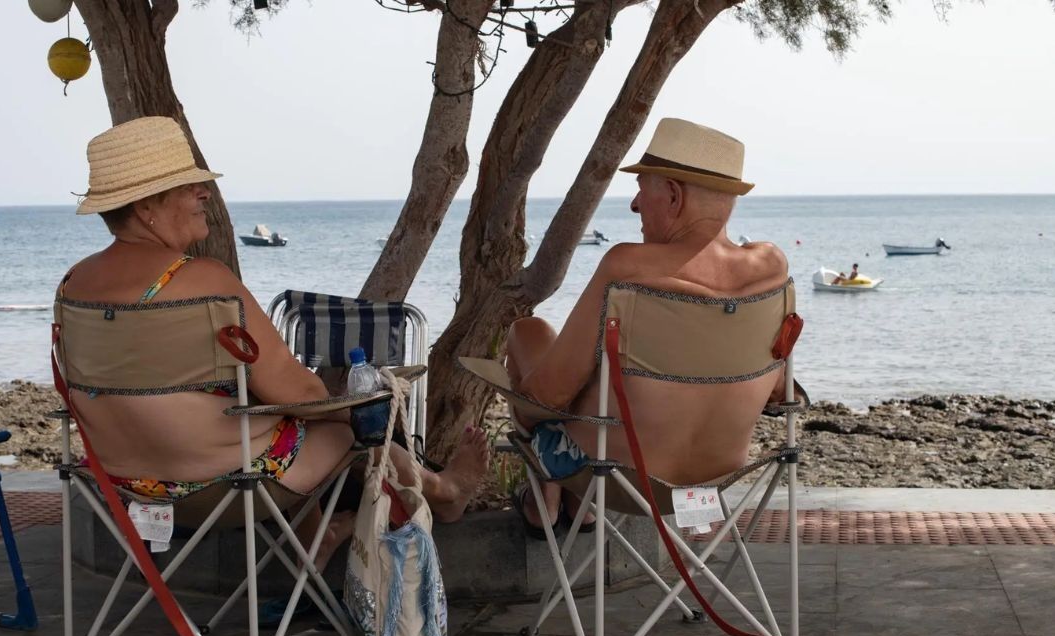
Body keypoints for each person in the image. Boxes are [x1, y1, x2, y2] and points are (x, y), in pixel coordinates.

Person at [62, 116, 489, 572]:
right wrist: (367, 401)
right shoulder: (203, 282)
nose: (205, 193)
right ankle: (443, 491)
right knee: (353, 428)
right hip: (229, 487)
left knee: (275, 412)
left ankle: (321, 535)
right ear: (149, 205)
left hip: (127, 484)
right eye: (189, 186)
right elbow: (300, 394)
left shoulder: (72, 287)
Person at [505, 118, 791, 535]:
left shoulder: (627, 267)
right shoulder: (772, 267)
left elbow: (550, 394)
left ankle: (545, 501)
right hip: (717, 480)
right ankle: (574, 507)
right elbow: (779, 388)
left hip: (616, 479)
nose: (635, 205)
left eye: (642, 188)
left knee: (528, 332)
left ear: (673, 195)